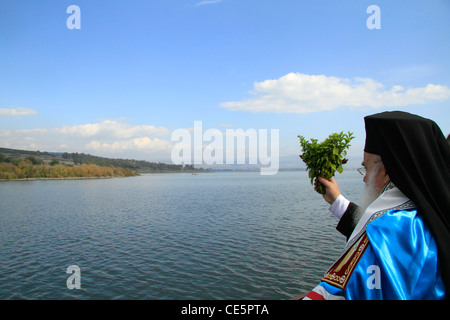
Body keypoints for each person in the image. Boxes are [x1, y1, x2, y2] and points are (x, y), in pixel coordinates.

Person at [300, 111, 449, 300]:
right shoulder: (429, 214)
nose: (364, 177)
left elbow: (339, 293)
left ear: (386, 171)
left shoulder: (386, 230)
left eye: (367, 167)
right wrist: (337, 201)